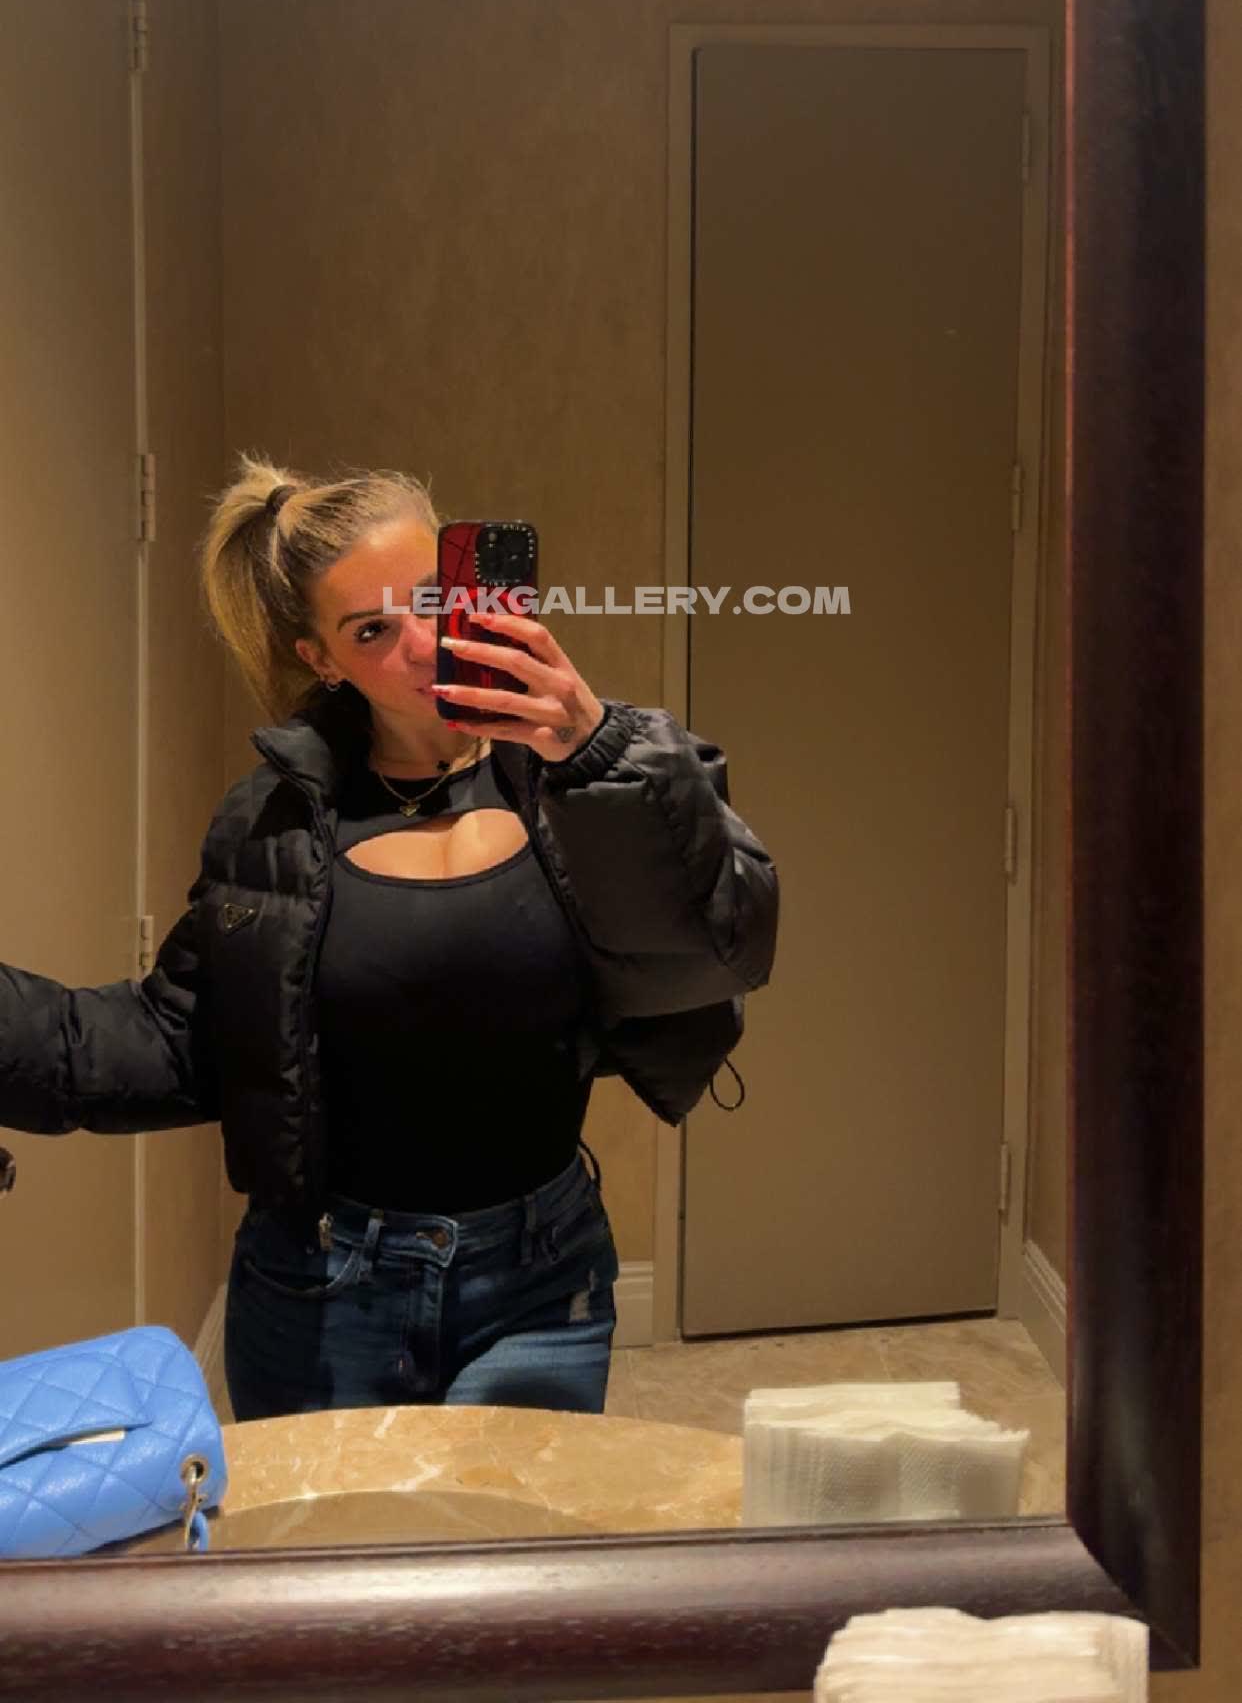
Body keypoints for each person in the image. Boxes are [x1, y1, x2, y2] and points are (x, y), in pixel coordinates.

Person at [0, 455, 778, 1420]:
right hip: (322, 1291)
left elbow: (728, 945)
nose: (422, 643)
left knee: (507, 1521)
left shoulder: (579, 778)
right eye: (372, 629)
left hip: (542, 1280)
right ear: (322, 658)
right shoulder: (275, 822)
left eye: (430, 601)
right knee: (331, 1525)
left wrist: (598, 748)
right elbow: (173, 1038)